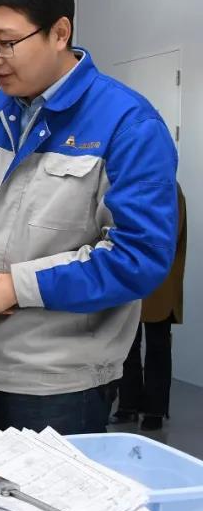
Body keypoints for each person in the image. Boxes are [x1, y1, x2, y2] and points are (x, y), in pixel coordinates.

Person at [0, 0, 180, 441]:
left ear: (60, 32)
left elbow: (139, 257)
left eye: (6, 42)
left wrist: (16, 288)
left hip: (61, 386)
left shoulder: (128, 124)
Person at [112, 184, 187, 431]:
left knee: (157, 347)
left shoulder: (171, 190)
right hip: (131, 278)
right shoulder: (132, 185)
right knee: (127, 346)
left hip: (160, 282)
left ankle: (155, 410)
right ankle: (128, 405)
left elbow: (168, 236)